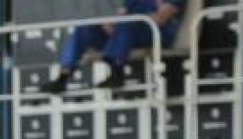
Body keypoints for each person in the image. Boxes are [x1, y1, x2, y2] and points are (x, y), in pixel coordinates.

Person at [41, 0, 184, 94]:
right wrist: (111, 24)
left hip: (156, 33)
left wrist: (125, 22)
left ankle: (116, 71)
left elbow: (160, 18)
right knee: (84, 29)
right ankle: (63, 77)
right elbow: (122, 12)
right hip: (127, 32)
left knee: (127, 23)